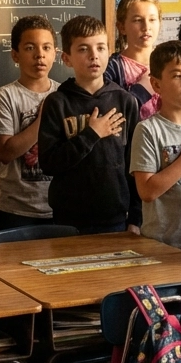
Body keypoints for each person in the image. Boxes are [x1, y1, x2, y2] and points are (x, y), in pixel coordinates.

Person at [38, 15, 141, 233]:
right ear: (67, 58)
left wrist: (136, 217)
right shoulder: (57, 102)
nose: (94, 56)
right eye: (83, 49)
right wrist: (91, 134)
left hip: (115, 217)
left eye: (101, 48)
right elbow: (49, 163)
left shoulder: (125, 101)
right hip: (68, 218)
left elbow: (136, 165)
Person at [129, 40, 181, 256]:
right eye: (177, 75)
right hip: (161, 247)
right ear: (156, 85)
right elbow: (147, 191)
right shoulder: (148, 130)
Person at [0, 15, 60, 231]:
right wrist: (42, 120)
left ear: (55, 54)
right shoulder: (6, 96)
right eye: (30, 48)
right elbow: (4, 152)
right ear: (15, 55)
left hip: (58, 207)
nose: (40, 55)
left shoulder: (64, 95)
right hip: (16, 210)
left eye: (47, 47)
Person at [105, 0, 160, 112]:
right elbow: (113, 111)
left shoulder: (169, 61)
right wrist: (143, 88)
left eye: (152, 20)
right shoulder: (113, 68)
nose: (146, 27)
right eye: (137, 20)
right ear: (122, 27)